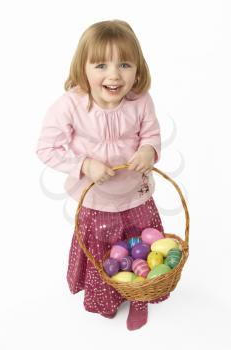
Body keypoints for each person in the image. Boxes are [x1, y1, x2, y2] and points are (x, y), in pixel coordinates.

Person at [36, 19, 170, 331]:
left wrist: (148, 151)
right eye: (100, 65)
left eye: (124, 64)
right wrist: (84, 164)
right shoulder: (70, 105)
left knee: (141, 249)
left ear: (137, 69)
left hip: (136, 195)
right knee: (104, 252)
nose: (113, 75)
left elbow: (151, 134)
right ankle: (107, 296)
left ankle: (139, 294)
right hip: (97, 199)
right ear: (83, 68)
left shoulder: (140, 101)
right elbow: (46, 148)